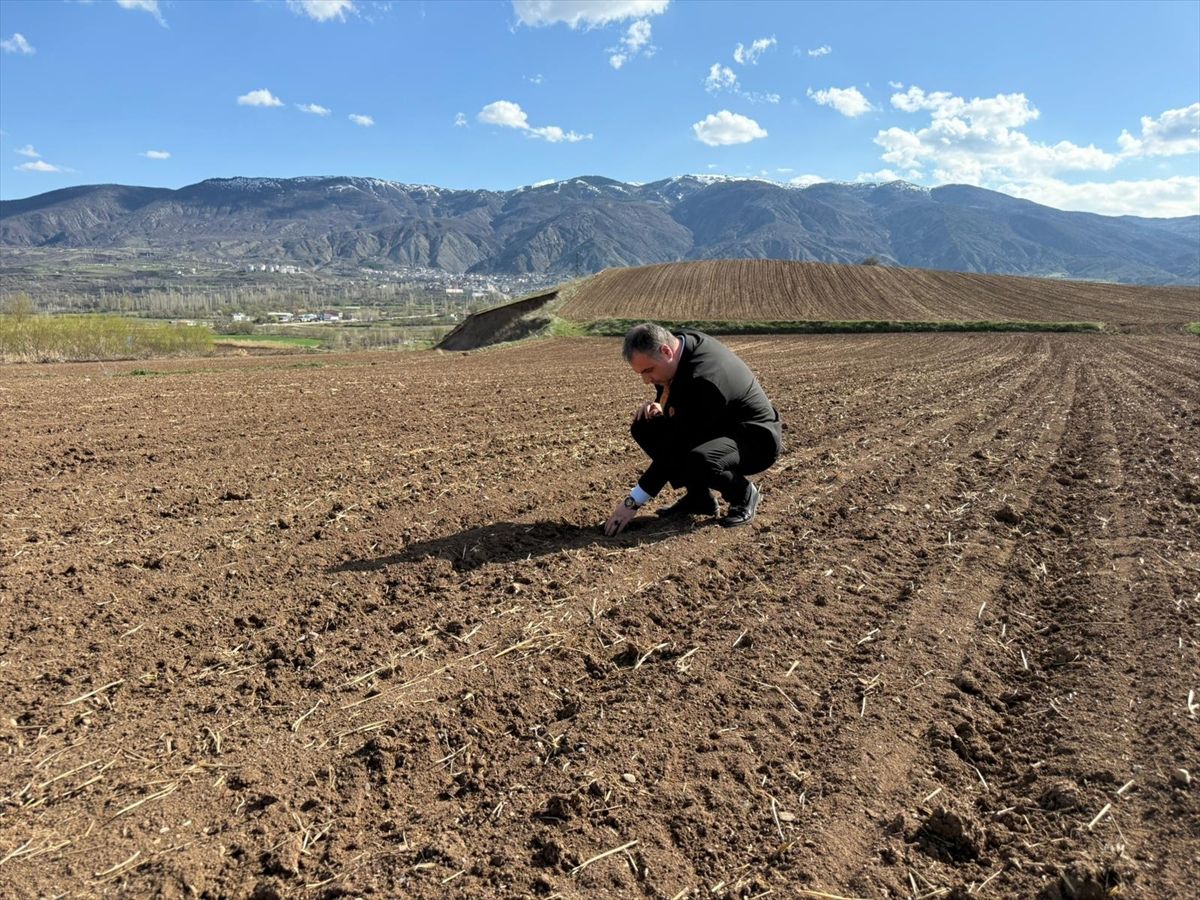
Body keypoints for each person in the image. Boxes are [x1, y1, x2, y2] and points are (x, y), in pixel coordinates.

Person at [604, 322, 782, 536]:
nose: (646, 380)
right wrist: (661, 404)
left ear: (666, 351)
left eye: (649, 371)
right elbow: (677, 404)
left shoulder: (704, 379)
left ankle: (743, 493)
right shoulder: (679, 342)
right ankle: (699, 499)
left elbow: (677, 445)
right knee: (645, 427)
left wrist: (633, 501)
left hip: (754, 439)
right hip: (717, 424)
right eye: (641, 373)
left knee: (699, 459)